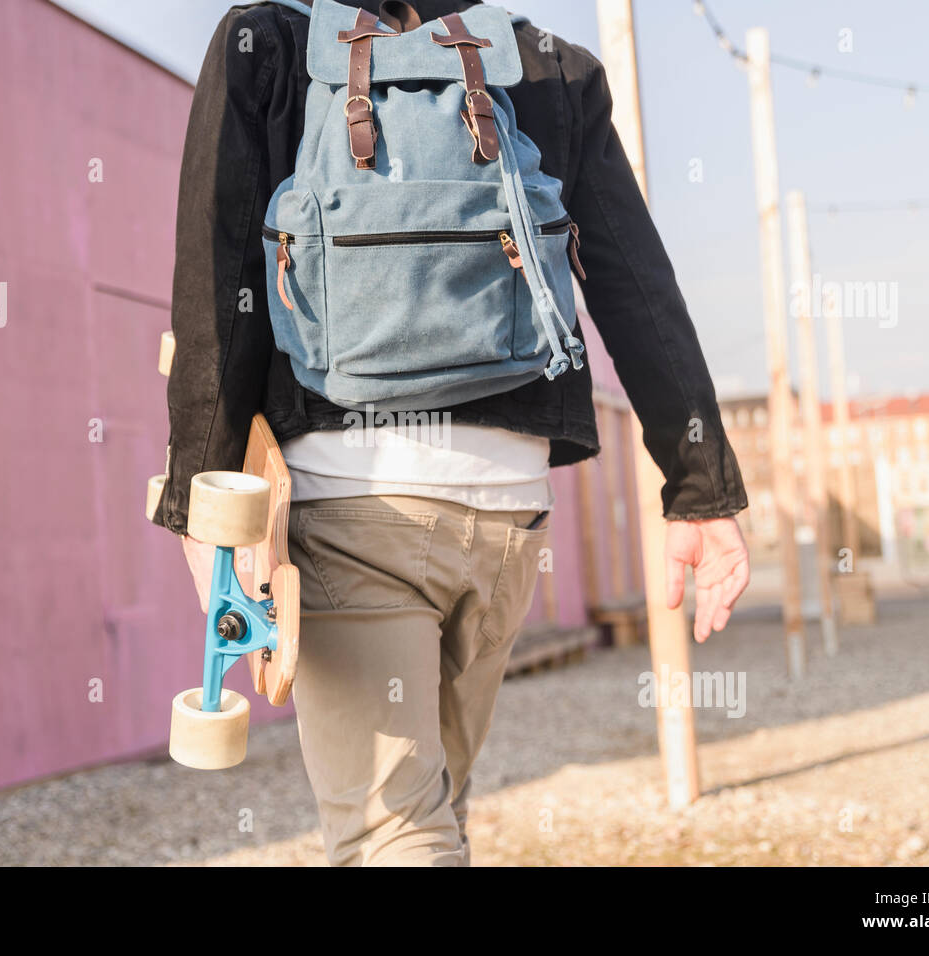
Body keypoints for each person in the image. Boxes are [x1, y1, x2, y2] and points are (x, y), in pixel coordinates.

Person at [152, 0, 750, 866]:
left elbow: (218, 278)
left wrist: (208, 505)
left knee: (392, 835)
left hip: (351, 507)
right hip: (507, 516)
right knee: (434, 819)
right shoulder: (545, 63)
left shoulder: (268, 46)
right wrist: (701, 488)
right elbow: (633, 281)